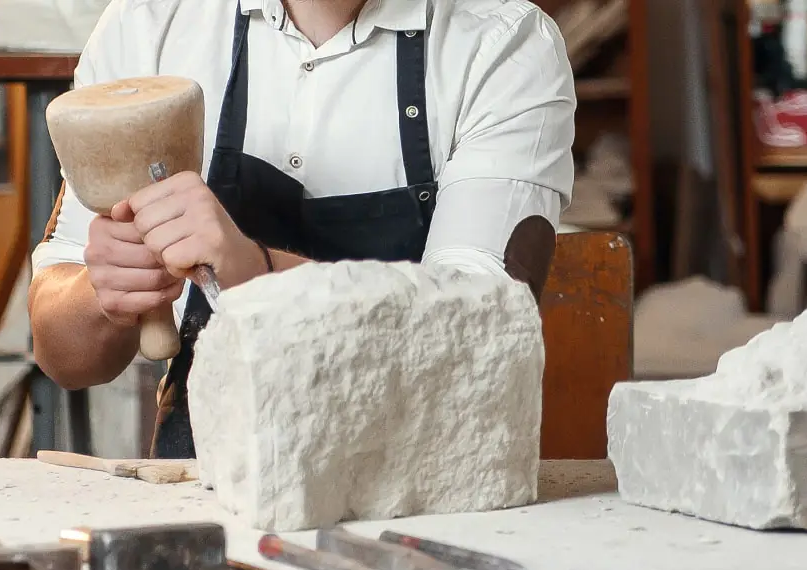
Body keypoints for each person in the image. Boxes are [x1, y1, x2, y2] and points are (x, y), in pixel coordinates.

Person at [29, 0, 577, 458]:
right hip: (212, 486)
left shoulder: (504, 46)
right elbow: (65, 356)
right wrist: (105, 295)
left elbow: (483, 341)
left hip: (418, 488)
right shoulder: (151, 24)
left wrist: (258, 275)